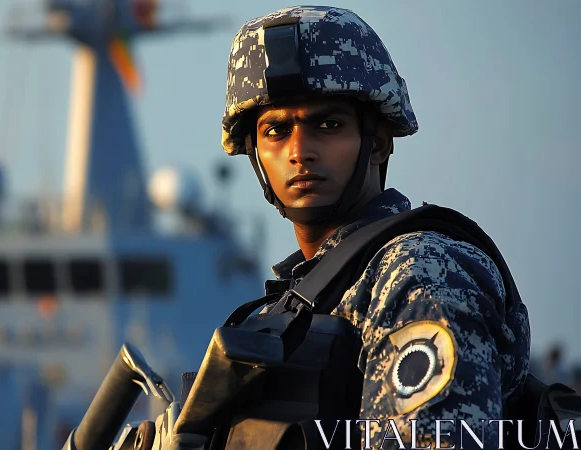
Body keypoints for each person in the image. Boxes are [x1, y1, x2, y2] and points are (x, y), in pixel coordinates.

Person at [217, 5, 531, 448]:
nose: (299, 151)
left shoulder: (420, 273)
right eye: (276, 131)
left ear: (378, 143)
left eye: (328, 125)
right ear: (254, 153)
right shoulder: (301, 298)